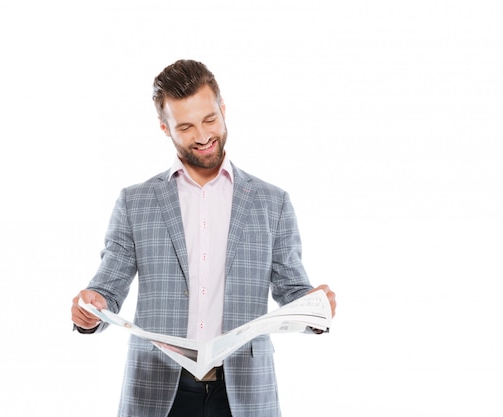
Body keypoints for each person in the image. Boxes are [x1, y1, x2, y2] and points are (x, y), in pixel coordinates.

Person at [71, 59, 337, 417]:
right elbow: (107, 288)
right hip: (158, 389)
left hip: (244, 391)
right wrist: (91, 309)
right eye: (185, 126)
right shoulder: (134, 202)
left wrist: (315, 306)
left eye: (210, 119)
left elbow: (292, 289)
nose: (202, 136)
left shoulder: (273, 202)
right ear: (165, 128)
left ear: (223, 110)